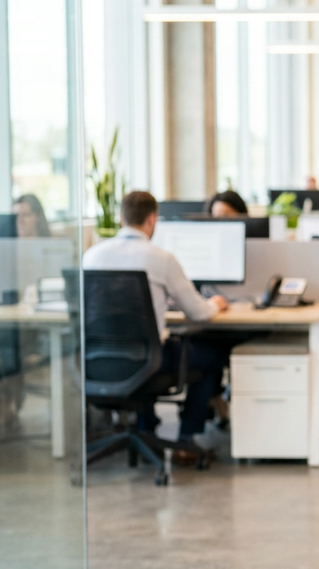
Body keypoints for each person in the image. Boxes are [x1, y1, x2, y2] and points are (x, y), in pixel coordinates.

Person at [83, 191, 231, 456]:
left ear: (121, 218)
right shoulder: (161, 259)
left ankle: (147, 429)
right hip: (150, 359)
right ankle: (186, 438)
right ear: (152, 219)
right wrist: (216, 304)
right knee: (213, 356)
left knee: (145, 350)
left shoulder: (92, 256)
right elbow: (199, 314)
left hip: (98, 358)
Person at [0, 194, 51, 432]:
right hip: (10, 317)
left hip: (38, 323)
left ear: (38, 217)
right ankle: (2, 400)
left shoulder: (49, 247)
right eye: (15, 216)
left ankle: (9, 400)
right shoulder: (5, 250)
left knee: (8, 343)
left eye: (26, 215)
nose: (20, 221)